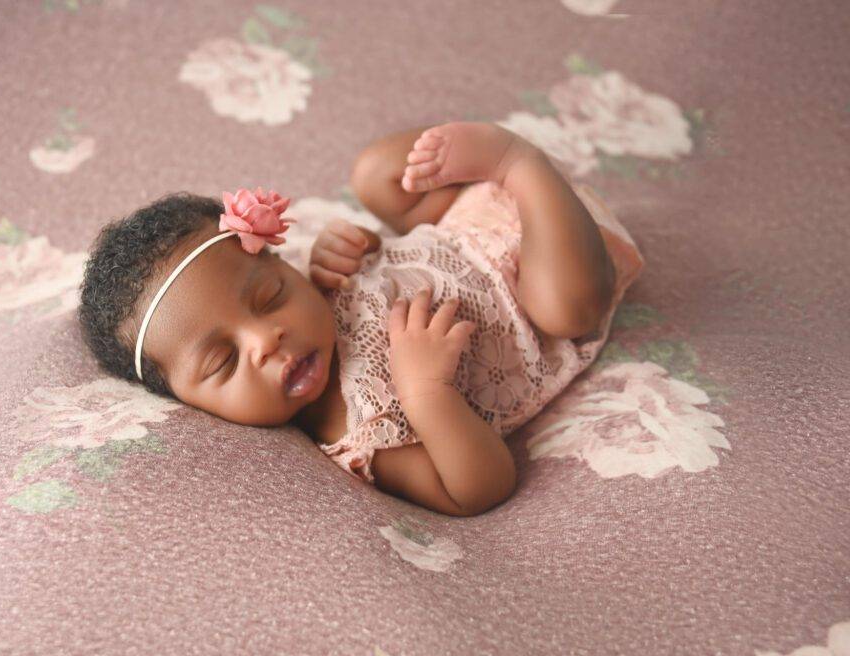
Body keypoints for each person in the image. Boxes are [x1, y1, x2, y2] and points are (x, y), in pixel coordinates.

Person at [77, 121, 645, 517]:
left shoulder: (316, 293)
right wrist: (427, 392)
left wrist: (355, 249)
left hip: (472, 220)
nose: (267, 338)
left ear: (281, 265)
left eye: (271, 295)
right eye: (224, 360)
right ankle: (519, 162)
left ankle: (495, 165)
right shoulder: (365, 435)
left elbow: (391, 260)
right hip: (552, 269)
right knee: (565, 308)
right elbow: (480, 488)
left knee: (373, 172)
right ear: (185, 402)